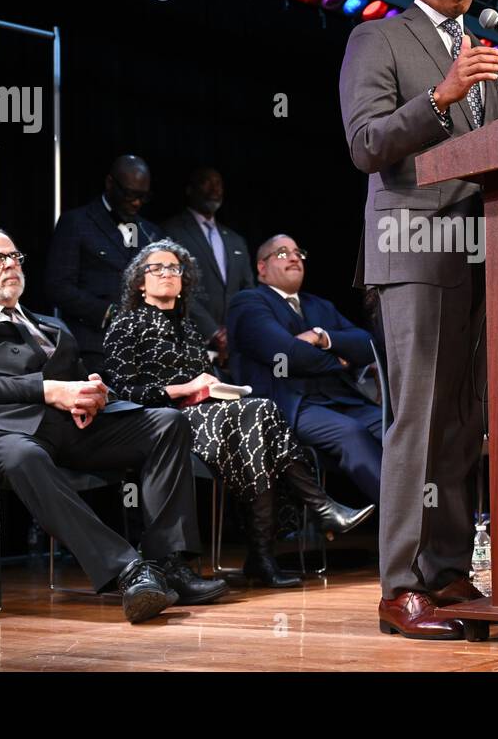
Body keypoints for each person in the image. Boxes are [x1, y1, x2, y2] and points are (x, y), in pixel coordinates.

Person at [339, 0, 498, 640]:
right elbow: (366, 144)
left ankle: (446, 569)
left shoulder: (489, 58)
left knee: (464, 422)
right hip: (411, 249)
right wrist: (440, 99)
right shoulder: (376, 40)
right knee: (416, 417)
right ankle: (400, 585)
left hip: (481, 253)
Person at [0, 229, 227, 624]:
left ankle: (169, 563)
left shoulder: (49, 325)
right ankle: (129, 570)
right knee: (24, 454)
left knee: (166, 423)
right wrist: (47, 390)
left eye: (14, 256)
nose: (9, 264)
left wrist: (95, 396)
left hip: (66, 429)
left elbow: (76, 384)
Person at [103, 240, 373, 589]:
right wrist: (184, 390)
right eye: (158, 268)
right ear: (140, 282)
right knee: (257, 420)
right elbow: (123, 392)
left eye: (175, 268)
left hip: (209, 416)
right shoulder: (127, 325)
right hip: (160, 422)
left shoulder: (188, 330)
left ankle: (271, 550)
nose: (168, 274)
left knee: (259, 417)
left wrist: (215, 388)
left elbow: (208, 382)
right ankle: (305, 519)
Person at [227, 234, 383, 505]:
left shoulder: (319, 305)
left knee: (394, 426)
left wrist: (322, 336)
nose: (294, 257)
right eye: (282, 253)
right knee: (351, 433)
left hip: (342, 399)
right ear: (261, 268)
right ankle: (407, 521)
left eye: (298, 252)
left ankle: (437, 511)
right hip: (292, 406)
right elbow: (286, 355)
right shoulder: (249, 302)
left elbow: (368, 344)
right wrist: (339, 362)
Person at [46, 155, 160, 373]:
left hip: (144, 349)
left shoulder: (149, 232)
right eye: (129, 194)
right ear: (110, 183)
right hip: (94, 347)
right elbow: (57, 287)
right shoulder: (77, 223)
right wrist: (108, 313)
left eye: (143, 197)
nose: (136, 202)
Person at [160, 166, 255, 368]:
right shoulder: (171, 231)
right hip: (189, 340)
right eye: (207, 182)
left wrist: (234, 330)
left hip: (236, 346)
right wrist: (213, 331)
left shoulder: (236, 240)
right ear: (190, 189)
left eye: (219, 183)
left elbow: (248, 291)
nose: (214, 189)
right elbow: (173, 286)